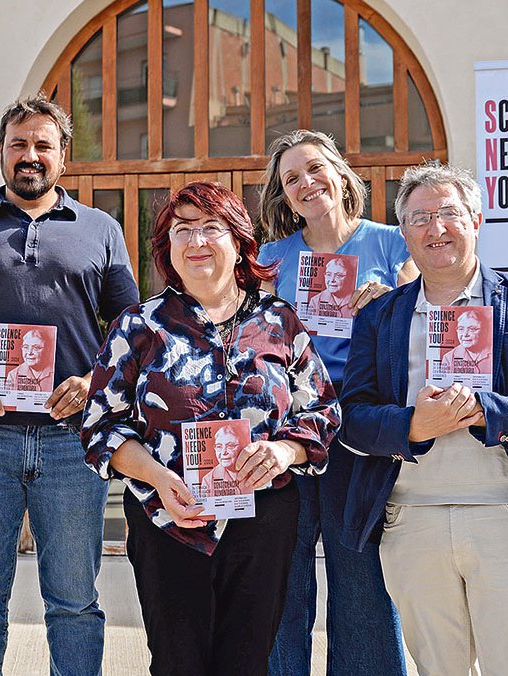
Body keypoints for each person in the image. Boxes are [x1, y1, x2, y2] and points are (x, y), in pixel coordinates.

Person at [0, 94, 139, 675]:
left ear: (63, 156)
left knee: (73, 604)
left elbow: (131, 333)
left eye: (43, 145)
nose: (30, 156)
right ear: (1, 152)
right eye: (18, 144)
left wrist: (93, 380)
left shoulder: (101, 230)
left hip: (73, 443)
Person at [341, 160, 508, 675]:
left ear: (476, 221)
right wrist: (412, 426)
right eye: (420, 218)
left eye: (448, 213)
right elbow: (353, 420)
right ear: (403, 233)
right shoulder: (379, 317)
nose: (436, 229)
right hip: (413, 523)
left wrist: (485, 411)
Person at [82, 181, 340, 676]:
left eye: (211, 229)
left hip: (262, 521)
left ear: (240, 242)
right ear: (168, 249)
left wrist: (286, 452)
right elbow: (100, 425)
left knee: (248, 662)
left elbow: (322, 408)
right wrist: (159, 478)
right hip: (168, 521)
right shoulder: (139, 326)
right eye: (183, 231)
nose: (197, 242)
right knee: (179, 663)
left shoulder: (277, 321)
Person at [256, 129, 416, 676]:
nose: (306, 184)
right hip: (289, 431)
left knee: (361, 578)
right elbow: (250, 343)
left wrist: (393, 301)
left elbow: (427, 324)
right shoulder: (271, 259)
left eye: (314, 169)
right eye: (291, 179)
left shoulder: (393, 243)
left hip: (361, 429)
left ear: (342, 173)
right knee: (282, 575)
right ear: (283, 197)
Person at [438, 308, 490, 375]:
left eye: (472, 329)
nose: (465, 334)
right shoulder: (448, 358)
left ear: (484, 331)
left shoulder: (495, 352)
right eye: (461, 329)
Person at [201, 424, 243, 495]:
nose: (224, 452)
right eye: (219, 446)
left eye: (230, 446)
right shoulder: (208, 480)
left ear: (241, 446)